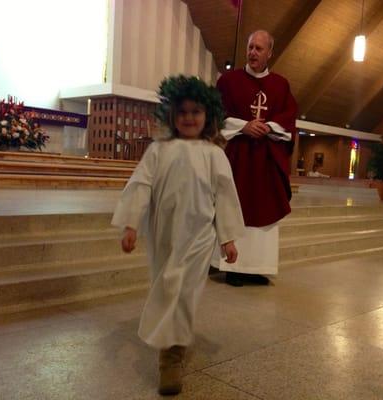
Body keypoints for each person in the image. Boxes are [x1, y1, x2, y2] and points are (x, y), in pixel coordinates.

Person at [111, 75, 244, 395]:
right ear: (172, 115)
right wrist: (131, 223)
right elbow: (141, 185)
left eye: (196, 111)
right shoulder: (159, 150)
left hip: (199, 237)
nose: (189, 117)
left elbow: (224, 196)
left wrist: (227, 236)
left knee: (183, 293)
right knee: (168, 286)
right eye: (182, 111)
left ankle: (170, 358)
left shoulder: (214, 155)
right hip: (165, 235)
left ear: (208, 116)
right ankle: (170, 344)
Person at [215, 30, 298, 287]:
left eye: (259, 49)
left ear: (270, 53)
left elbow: (289, 117)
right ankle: (233, 267)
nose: (252, 52)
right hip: (238, 158)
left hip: (265, 160)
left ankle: (256, 268)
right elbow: (216, 114)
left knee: (265, 208)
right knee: (235, 206)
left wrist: (269, 127)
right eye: (250, 47)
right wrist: (243, 126)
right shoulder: (228, 81)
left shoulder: (280, 85)